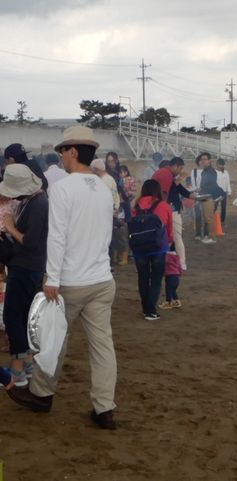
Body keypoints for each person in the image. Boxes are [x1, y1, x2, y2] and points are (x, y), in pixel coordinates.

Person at [7, 126, 118, 430]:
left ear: (72, 151)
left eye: (62, 151)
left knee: (52, 341)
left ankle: (41, 395)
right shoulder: (103, 187)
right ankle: (104, 407)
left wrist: (52, 277)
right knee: (102, 346)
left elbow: (57, 237)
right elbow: (106, 234)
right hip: (102, 279)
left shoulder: (64, 188)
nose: (61, 156)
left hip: (71, 280)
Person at [0, 164, 48, 387]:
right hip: (28, 266)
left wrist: (10, 228)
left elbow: (30, 242)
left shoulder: (38, 204)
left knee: (13, 316)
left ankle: (18, 369)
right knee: (21, 316)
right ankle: (27, 363)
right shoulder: (33, 201)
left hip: (26, 266)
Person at [132, 179, 173, 321]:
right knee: (156, 279)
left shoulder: (136, 205)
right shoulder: (164, 205)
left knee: (143, 278)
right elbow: (169, 227)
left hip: (139, 247)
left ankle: (145, 308)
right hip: (158, 246)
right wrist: (169, 241)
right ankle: (151, 310)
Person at [154, 157, 194, 267]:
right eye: (180, 168)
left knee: (170, 237)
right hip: (168, 211)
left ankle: (179, 262)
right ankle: (180, 262)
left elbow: (183, 191)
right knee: (173, 237)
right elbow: (165, 194)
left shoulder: (168, 177)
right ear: (175, 166)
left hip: (167, 210)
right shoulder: (167, 176)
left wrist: (196, 197)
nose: (180, 171)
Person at [91, 158, 124, 266]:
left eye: (92, 170)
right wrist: (116, 209)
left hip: (104, 214)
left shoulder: (102, 181)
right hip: (111, 213)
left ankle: (106, 264)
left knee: (104, 241)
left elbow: (101, 199)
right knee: (108, 239)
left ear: (96, 169)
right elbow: (116, 196)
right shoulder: (110, 179)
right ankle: (109, 264)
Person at [198, 153, 225, 244]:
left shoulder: (211, 172)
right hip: (205, 196)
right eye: (202, 159)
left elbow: (211, 186)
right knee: (207, 217)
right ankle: (209, 236)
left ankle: (212, 237)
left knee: (209, 218)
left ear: (209, 161)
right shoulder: (204, 172)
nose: (203, 161)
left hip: (209, 197)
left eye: (205, 159)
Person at [190, 153, 207, 240]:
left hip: (207, 195)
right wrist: (196, 192)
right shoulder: (194, 171)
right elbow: (193, 185)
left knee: (206, 215)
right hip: (197, 195)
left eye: (204, 160)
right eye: (200, 160)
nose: (202, 162)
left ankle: (207, 234)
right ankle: (198, 233)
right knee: (198, 215)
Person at [215, 158, 232, 224]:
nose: (222, 166)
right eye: (220, 165)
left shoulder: (226, 172)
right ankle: (212, 219)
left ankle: (222, 220)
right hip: (216, 192)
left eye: (223, 165)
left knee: (223, 207)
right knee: (214, 206)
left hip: (224, 192)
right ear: (217, 165)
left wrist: (229, 192)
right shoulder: (214, 172)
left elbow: (228, 182)